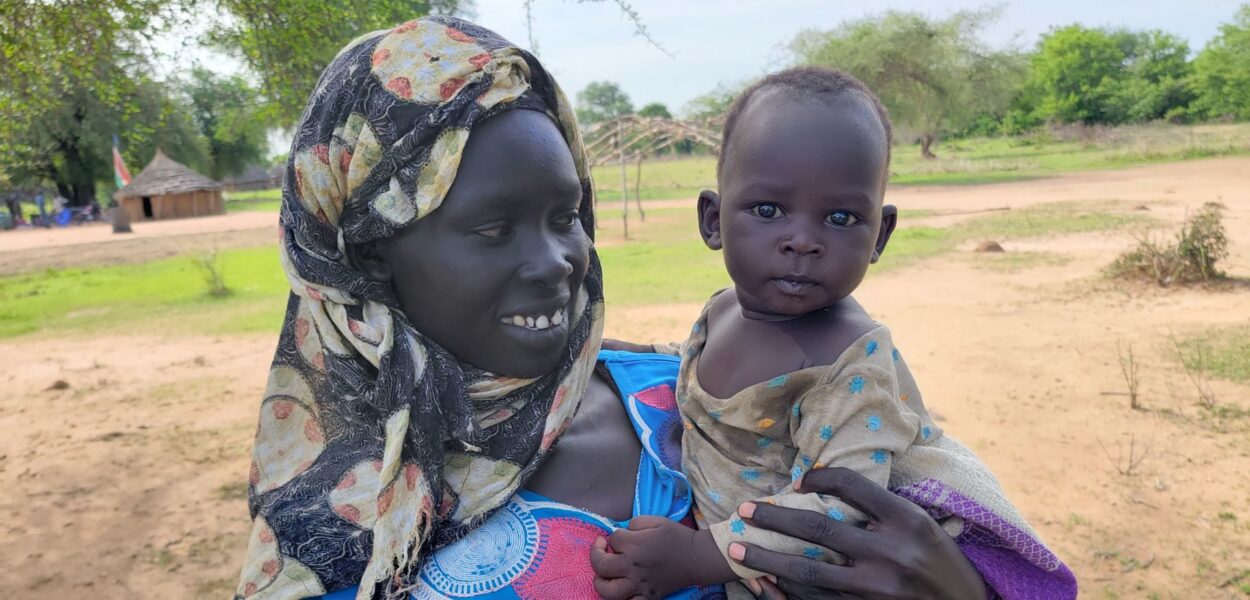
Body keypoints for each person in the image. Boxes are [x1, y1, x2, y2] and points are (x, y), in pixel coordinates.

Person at [237, 16, 1072, 600]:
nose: (559, 261)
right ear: (364, 251)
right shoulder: (327, 526)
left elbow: (903, 500)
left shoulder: (679, 387)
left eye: (567, 216)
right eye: (492, 228)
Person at [590, 68, 1077, 600]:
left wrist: (693, 557)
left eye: (841, 218)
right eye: (769, 210)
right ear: (713, 219)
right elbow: (692, 358)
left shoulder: (849, 364)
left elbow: (841, 507)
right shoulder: (724, 308)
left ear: (880, 235)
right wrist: (641, 352)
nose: (802, 240)